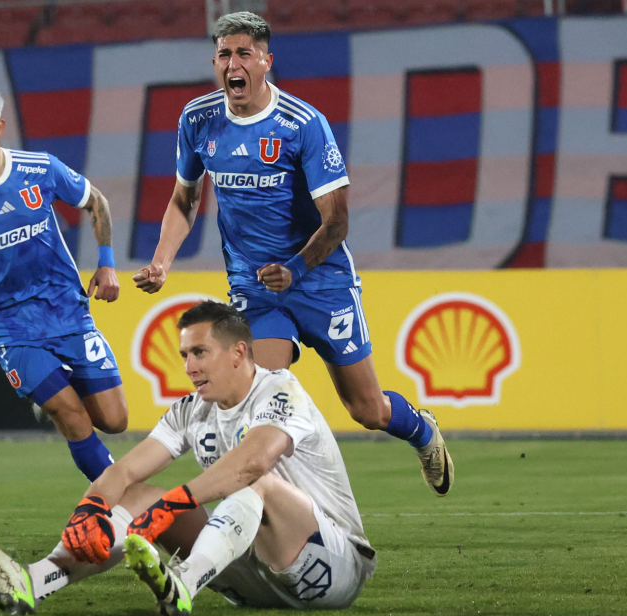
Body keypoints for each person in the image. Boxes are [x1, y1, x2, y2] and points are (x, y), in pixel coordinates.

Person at [131, 11, 453, 496]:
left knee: (367, 409)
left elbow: (337, 220)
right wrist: (162, 260)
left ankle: (422, 432)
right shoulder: (198, 119)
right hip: (256, 289)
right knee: (260, 397)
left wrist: (296, 266)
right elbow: (185, 197)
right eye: (224, 54)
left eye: (244, 53)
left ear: (265, 61)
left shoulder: (303, 124)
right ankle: (283, 512)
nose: (232, 64)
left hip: (321, 280)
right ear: (214, 61)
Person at [0, 301, 377, 616]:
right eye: (184, 355)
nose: (189, 367)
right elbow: (123, 471)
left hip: (329, 568)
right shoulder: (191, 410)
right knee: (137, 493)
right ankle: (34, 580)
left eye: (200, 353)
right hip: (248, 579)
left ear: (238, 353)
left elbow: (253, 461)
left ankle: (184, 583)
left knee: (253, 483)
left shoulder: (281, 390)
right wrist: (90, 510)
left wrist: (172, 504)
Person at [0, 81, 127, 482]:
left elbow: (96, 202)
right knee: (72, 416)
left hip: (67, 310)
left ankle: (50, 398)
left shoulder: (40, 168)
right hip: (11, 324)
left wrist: (106, 264)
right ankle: (120, 504)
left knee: (116, 419)